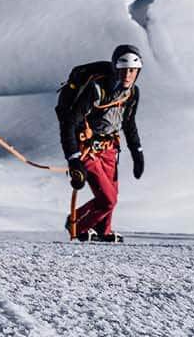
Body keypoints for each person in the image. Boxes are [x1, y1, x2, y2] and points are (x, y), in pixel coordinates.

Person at [58, 44, 145, 242]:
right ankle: (77, 226)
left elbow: (129, 123)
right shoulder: (97, 90)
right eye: (124, 70)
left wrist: (137, 153)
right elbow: (70, 123)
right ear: (116, 68)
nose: (128, 75)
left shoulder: (132, 93)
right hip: (88, 147)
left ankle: (103, 231)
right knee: (108, 200)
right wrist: (74, 160)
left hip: (110, 148)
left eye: (132, 70)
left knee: (111, 196)